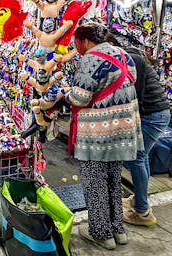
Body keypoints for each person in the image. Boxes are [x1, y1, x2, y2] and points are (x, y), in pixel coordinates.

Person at [65, 23, 144, 250]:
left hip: (99, 133)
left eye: (76, 43)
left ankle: (102, 234)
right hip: (124, 128)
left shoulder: (90, 58)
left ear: (85, 41)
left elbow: (79, 97)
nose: (76, 47)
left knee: (94, 182)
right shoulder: (123, 54)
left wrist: (63, 94)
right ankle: (118, 230)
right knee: (113, 180)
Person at [106, 32, 171, 227]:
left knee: (135, 157)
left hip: (151, 115)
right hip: (153, 113)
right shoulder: (124, 59)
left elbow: (137, 95)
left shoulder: (131, 58)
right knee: (141, 157)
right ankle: (138, 200)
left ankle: (143, 212)